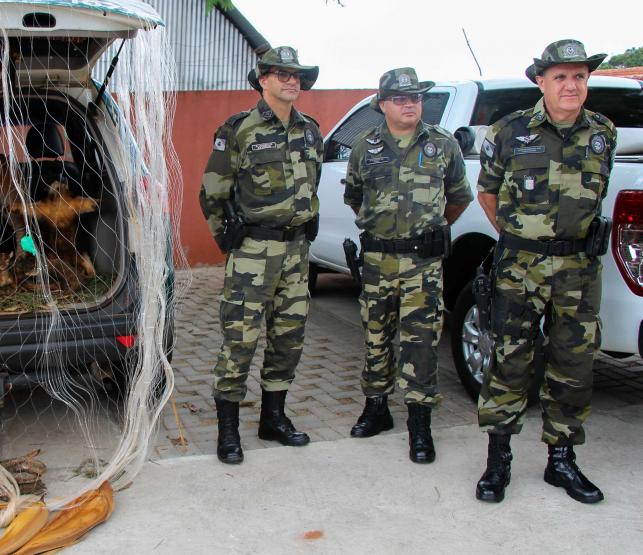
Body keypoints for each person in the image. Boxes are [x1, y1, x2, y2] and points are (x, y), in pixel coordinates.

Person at [474, 40, 614, 503]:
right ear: (541, 81)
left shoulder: (603, 133)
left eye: (579, 76)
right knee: (511, 361)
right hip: (521, 268)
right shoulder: (509, 131)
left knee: (574, 364)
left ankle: (562, 460)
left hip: (579, 269)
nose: (571, 85)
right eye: (561, 76)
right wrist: (520, 238)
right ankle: (498, 460)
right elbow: (487, 193)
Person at [199, 46, 323, 465]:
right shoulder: (238, 130)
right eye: (283, 74)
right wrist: (231, 244)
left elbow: (314, 186)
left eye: (298, 75)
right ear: (263, 79)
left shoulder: (311, 131)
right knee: (240, 339)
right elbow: (213, 192)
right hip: (254, 251)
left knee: (289, 337)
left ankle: (273, 419)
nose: (293, 81)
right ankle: (228, 431)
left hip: (297, 250)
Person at [343, 68, 473, 464]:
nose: (409, 104)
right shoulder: (365, 145)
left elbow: (458, 197)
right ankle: (377, 408)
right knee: (376, 335)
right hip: (378, 259)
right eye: (400, 98)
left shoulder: (442, 144)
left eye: (415, 97)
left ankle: (420, 424)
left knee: (422, 342)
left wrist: (429, 231)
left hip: (422, 263)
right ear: (382, 104)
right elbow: (355, 197)